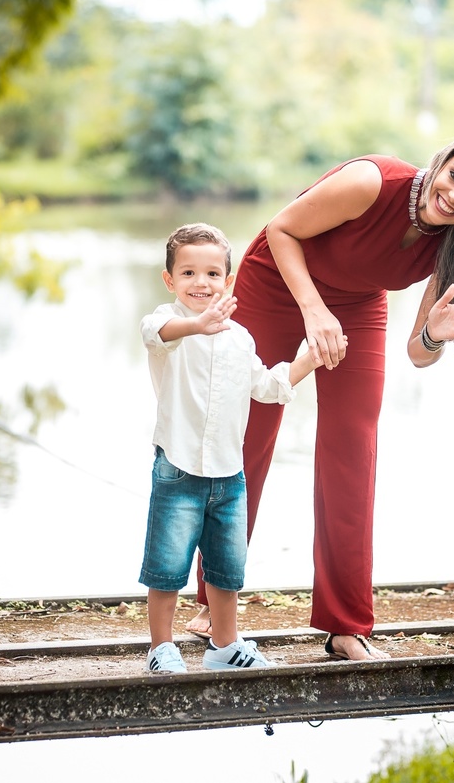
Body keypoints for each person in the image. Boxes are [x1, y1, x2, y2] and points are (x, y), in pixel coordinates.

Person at [186, 128, 454, 661]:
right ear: (441, 162)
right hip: (279, 283)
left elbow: (417, 353)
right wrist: (312, 310)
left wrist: (435, 334)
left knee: (353, 448)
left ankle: (345, 623)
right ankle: (214, 602)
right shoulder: (371, 182)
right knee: (247, 439)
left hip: (356, 303)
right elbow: (280, 230)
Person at [139, 222, 342, 673]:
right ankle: (161, 648)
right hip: (179, 466)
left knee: (226, 567)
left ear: (228, 281)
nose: (201, 283)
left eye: (212, 274)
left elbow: (267, 386)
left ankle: (225, 646)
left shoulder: (241, 338)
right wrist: (196, 324)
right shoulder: (167, 325)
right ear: (170, 280)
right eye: (188, 273)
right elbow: (156, 333)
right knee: (167, 563)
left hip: (229, 474)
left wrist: (307, 360)